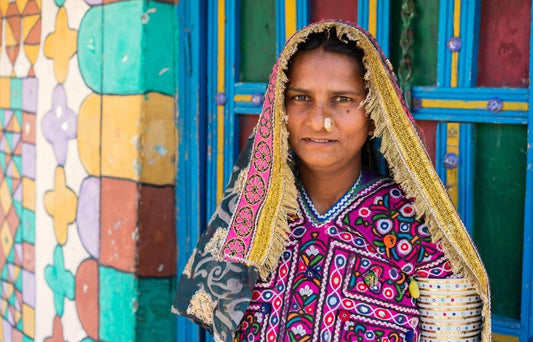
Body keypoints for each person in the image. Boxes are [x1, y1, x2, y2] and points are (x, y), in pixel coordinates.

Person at [172, 21, 490, 342]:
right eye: (300, 97)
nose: (319, 121)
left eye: (341, 99)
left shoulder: (416, 225)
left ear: (373, 115)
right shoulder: (253, 219)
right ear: (279, 110)